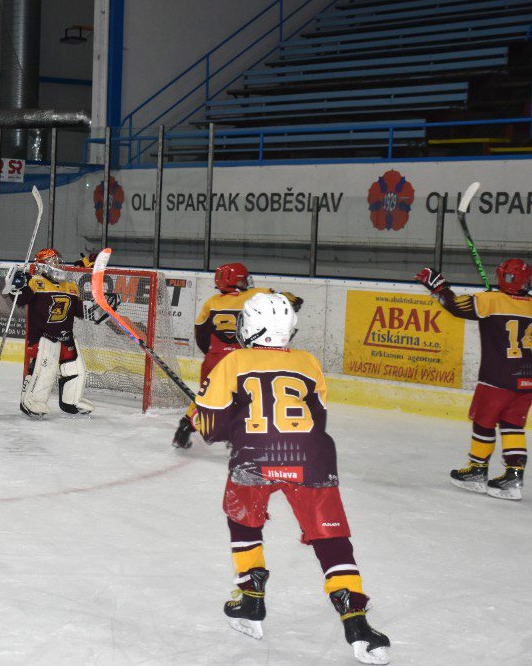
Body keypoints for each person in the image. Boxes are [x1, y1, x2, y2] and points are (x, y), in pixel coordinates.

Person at [187, 292, 390, 665]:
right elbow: (317, 420)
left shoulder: (233, 361)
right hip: (311, 458)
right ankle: (356, 621)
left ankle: (251, 597)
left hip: (254, 458)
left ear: (250, 326)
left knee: (243, 520)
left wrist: (212, 418)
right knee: (330, 538)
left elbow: (212, 431)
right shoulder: (308, 362)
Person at [416, 259, 532, 500]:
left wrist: (439, 288)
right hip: (526, 380)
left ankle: (477, 470)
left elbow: (456, 306)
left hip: (496, 378)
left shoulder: (490, 300)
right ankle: (514, 476)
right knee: (513, 426)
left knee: (483, 423)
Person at [173, 262, 302, 448]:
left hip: (213, 359)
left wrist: (212, 354)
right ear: (236, 281)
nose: (246, 282)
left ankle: (184, 429)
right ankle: (236, 437)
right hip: (241, 360)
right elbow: (282, 302)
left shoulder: (211, 303)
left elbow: (200, 334)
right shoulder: (257, 295)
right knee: (246, 398)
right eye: (243, 280)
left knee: (206, 397)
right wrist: (292, 300)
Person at [8, 247, 118, 418]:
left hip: (66, 336)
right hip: (44, 337)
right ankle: (32, 401)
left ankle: (71, 401)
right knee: (46, 371)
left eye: (59, 261)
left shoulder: (70, 286)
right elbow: (19, 299)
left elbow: (80, 311)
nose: (58, 265)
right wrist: (15, 283)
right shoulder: (35, 282)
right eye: (53, 261)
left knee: (76, 370)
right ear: (43, 265)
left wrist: (101, 309)